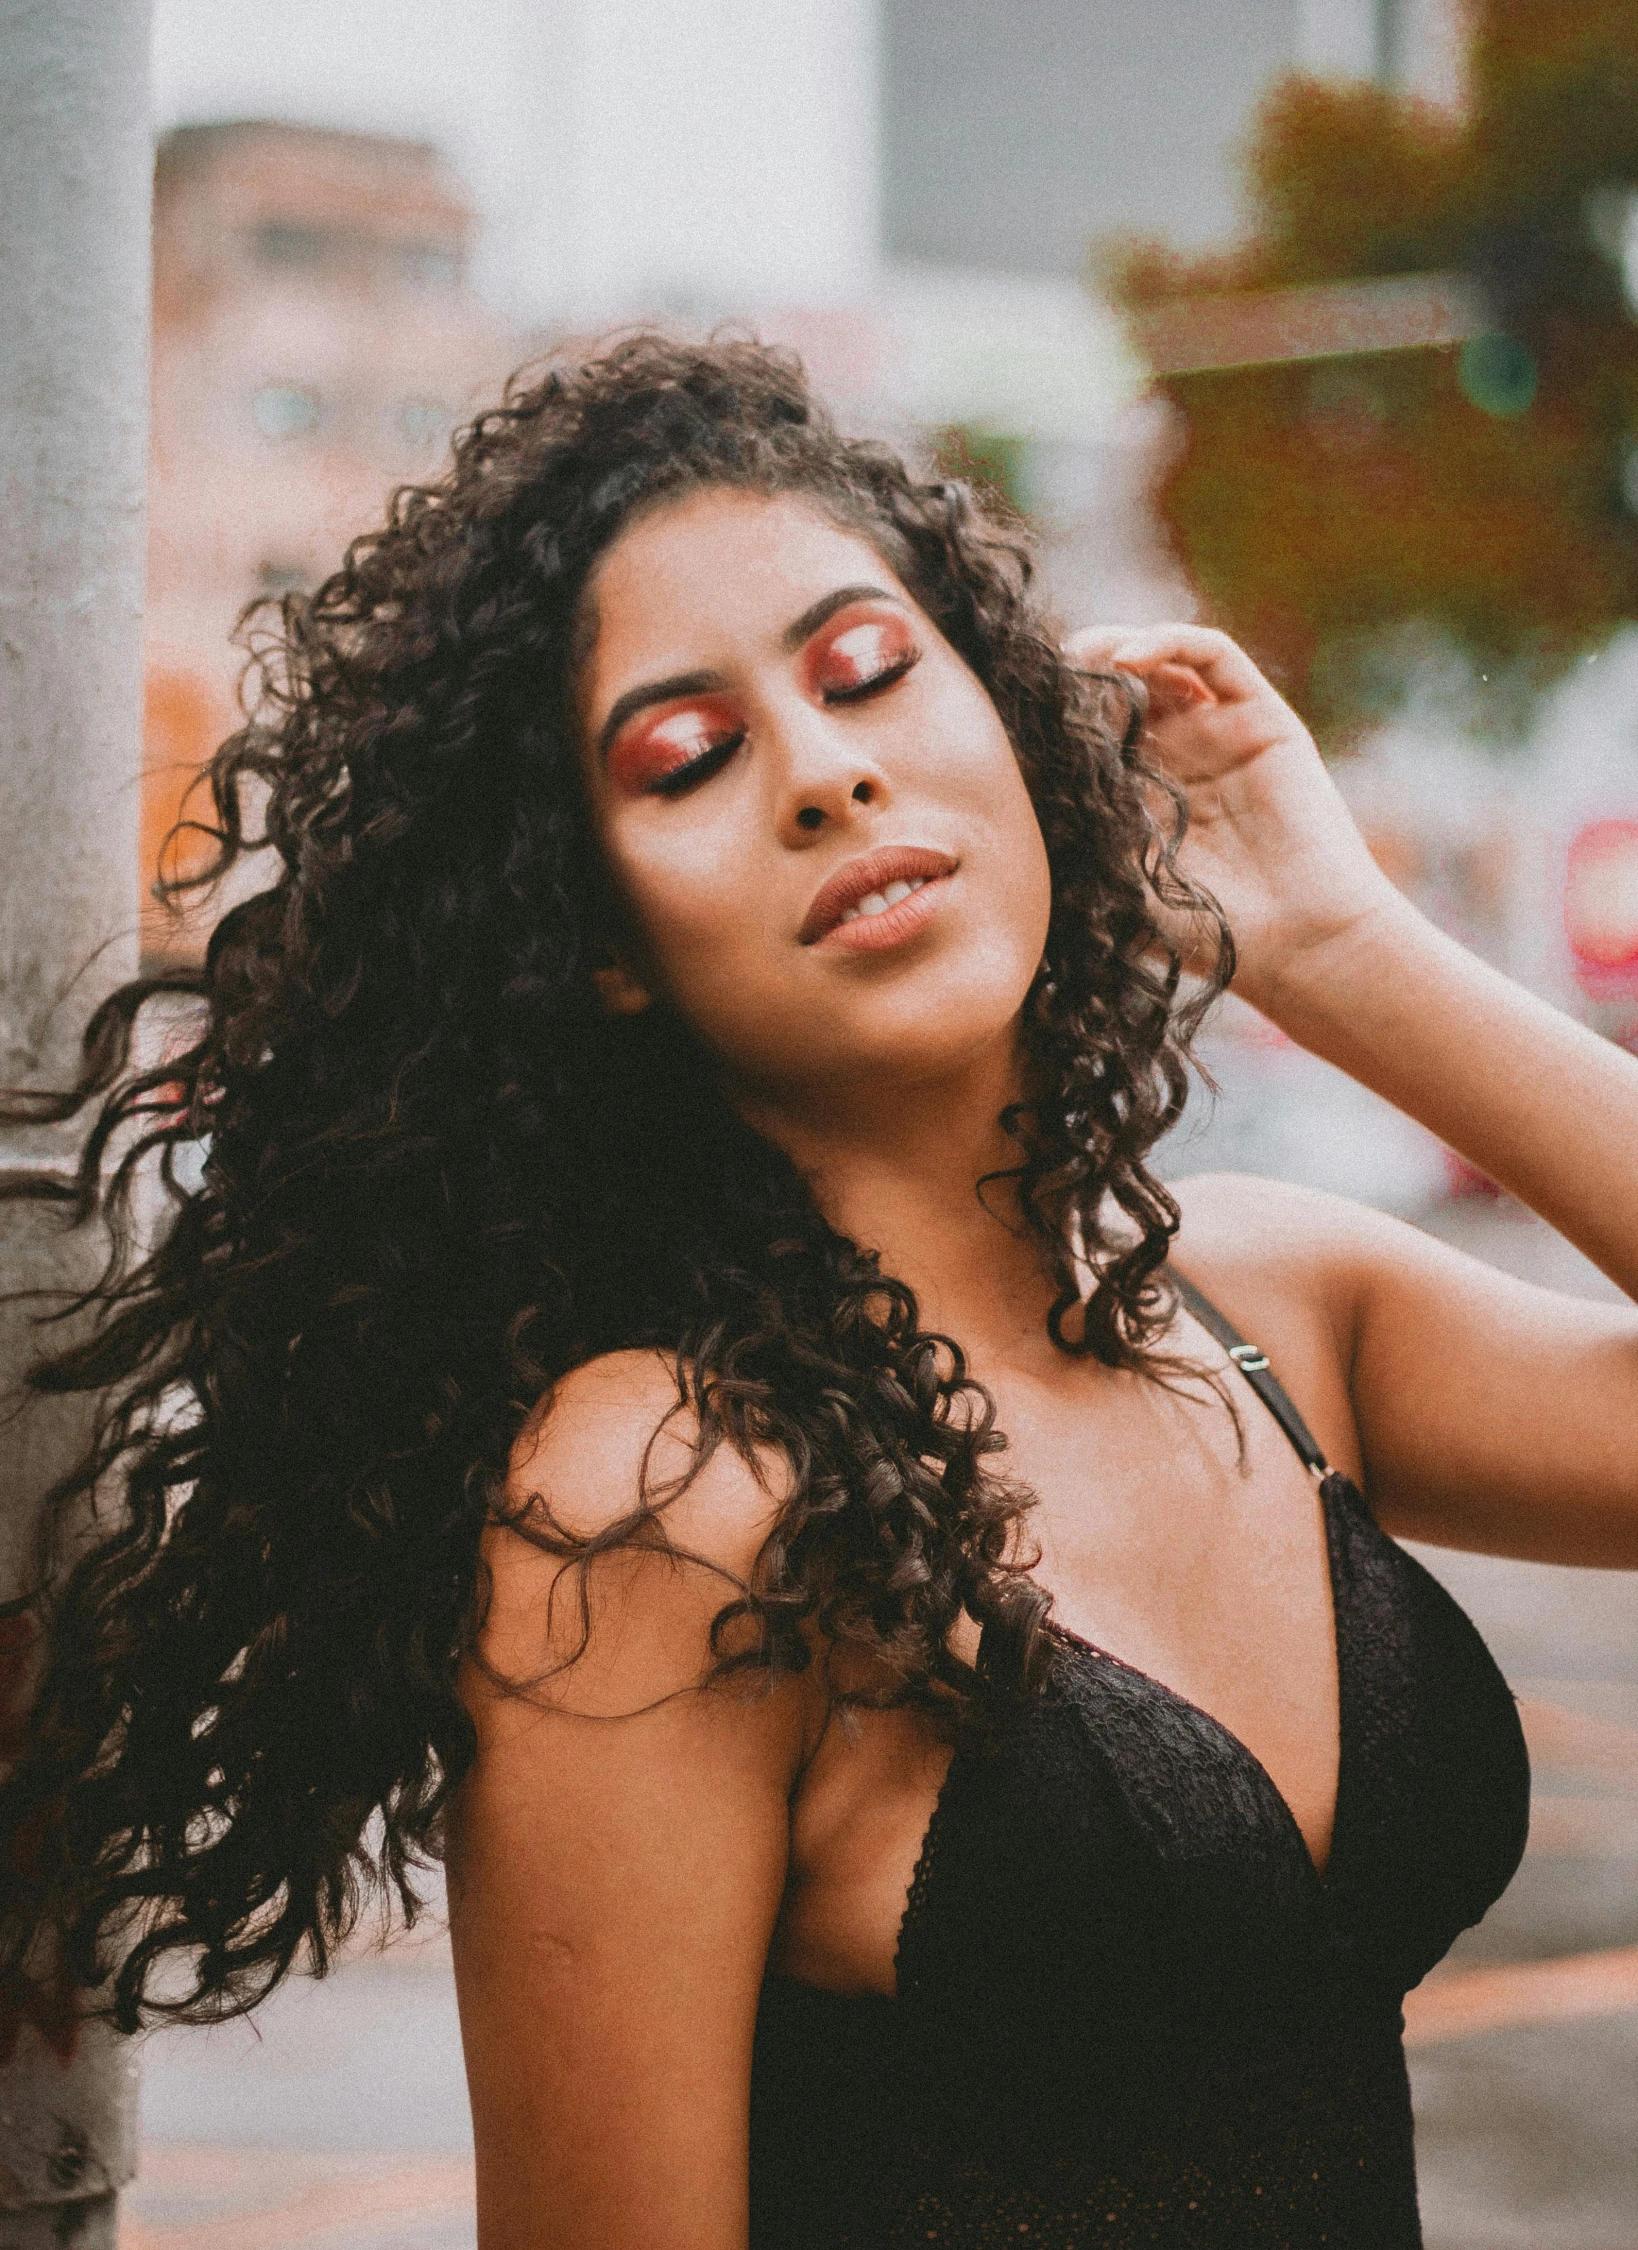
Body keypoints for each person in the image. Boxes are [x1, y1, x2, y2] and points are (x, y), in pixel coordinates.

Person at [3, 333, 1636, 2249]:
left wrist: (1348, 948)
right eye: (688, 757)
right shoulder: (661, 1500)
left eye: (867, 670)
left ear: (1010, 729)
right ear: (597, 945)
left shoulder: (1277, 1303)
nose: (827, 771)